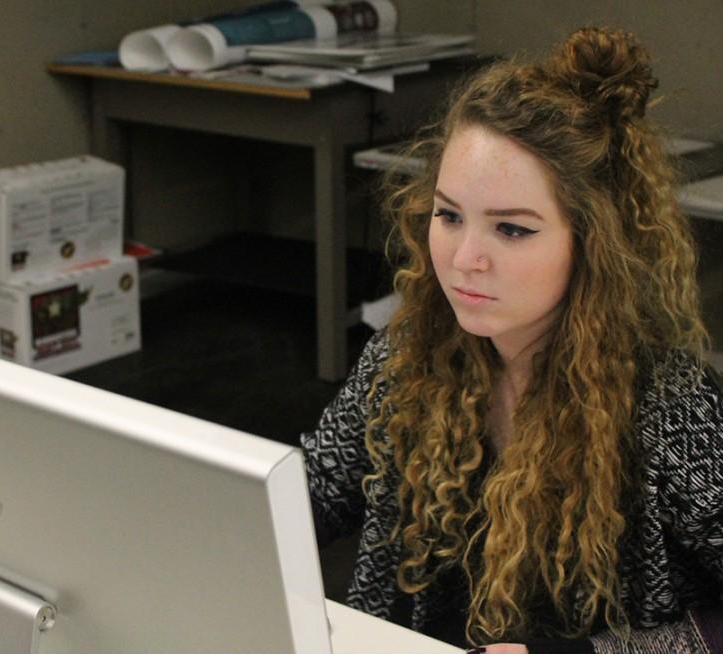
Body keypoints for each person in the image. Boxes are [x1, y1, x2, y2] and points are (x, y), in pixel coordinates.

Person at [301, 26, 723, 654]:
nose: (465, 258)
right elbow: (311, 491)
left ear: (592, 244)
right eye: (448, 216)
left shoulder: (671, 405)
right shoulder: (409, 353)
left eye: (512, 230)